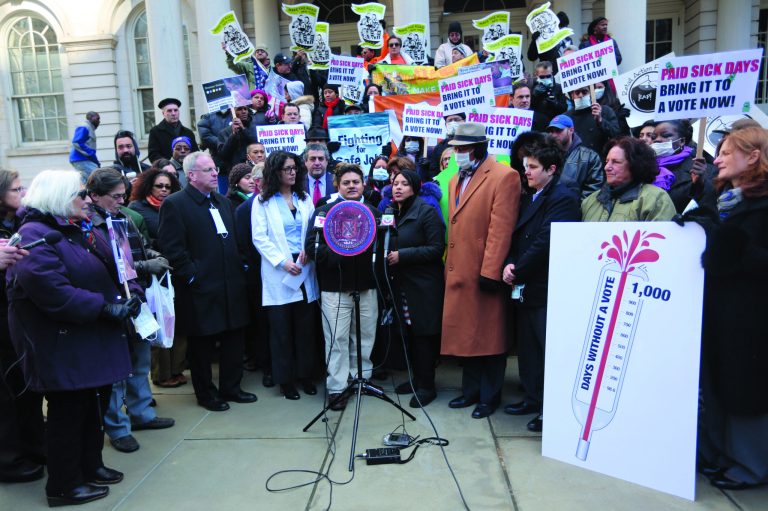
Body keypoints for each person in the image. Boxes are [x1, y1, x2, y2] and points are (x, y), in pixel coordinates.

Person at [7, 169, 137, 506]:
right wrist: (103, 308)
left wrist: (128, 293)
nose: (86, 199)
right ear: (59, 199)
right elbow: (52, 290)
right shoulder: (35, 234)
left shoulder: (73, 229)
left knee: (92, 407)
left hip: (86, 336)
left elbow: (115, 264)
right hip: (61, 342)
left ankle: (90, 465)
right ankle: (64, 485)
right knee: (68, 412)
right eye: (80, 194)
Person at [698, 126, 768, 491]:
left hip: (752, 319)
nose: (718, 159)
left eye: (726, 152)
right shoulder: (724, 200)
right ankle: (726, 456)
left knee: (747, 391)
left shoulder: (761, 204)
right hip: (722, 313)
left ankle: (751, 465)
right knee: (723, 385)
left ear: (753, 157)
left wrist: (732, 241)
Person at [86, 169, 175, 453]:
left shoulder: (122, 217)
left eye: (123, 194)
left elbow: (139, 248)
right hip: (113, 303)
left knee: (140, 362)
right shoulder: (90, 225)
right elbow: (110, 265)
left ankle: (142, 415)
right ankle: (118, 428)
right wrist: (146, 266)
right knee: (116, 373)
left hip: (136, 299)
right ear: (95, 196)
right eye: (114, 196)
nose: (121, 200)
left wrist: (152, 256)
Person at [159, 152, 256, 411]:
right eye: (208, 170)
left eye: (214, 169)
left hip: (231, 284)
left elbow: (234, 239)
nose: (215, 173)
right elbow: (172, 248)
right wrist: (192, 275)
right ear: (191, 175)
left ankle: (231, 387)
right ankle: (206, 394)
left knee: (234, 339)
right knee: (202, 346)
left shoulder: (222, 202)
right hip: (200, 288)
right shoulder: (176, 204)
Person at [501, 140, 581, 432]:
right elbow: (516, 235)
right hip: (524, 284)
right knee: (528, 348)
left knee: (547, 349)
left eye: (533, 168)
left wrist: (517, 270)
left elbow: (546, 240)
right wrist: (509, 263)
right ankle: (532, 397)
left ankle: (551, 407)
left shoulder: (563, 198)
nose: (527, 173)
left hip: (546, 286)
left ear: (552, 169)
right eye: (525, 168)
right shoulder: (529, 196)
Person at [442, 122, 520, 419]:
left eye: (461, 149)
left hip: (484, 270)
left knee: (490, 337)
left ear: (476, 149)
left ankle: (489, 396)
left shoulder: (504, 176)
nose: (456, 154)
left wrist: (490, 272)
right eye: (455, 149)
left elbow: (501, 229)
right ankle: (470, 391)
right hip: (459, 268)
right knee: (466, 335)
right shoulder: (454, 180)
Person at [305, 164, 381, 410]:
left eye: (356, 182)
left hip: (367, 286)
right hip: (335, 288)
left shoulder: (373, 211)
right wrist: (342, 250)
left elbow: (382, 247)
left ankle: (361, 380)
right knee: (337, 338)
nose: (351, 186)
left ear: (363, 185)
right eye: (346, 182)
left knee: (365, 336)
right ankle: (337, 387)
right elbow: (311, 247)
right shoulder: (324, 212)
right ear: (337, 184)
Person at [252, 150, 319, 400]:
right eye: (287, 169)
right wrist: (282, 262)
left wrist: (308, 250)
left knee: (305, 327)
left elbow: (313, 229)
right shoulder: (262, 202)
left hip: (304, 267)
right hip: (280, 271)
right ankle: (286, 380)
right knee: (281, 330)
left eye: (294, 168)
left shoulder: (304, 198)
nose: (292, 172)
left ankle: (306, 375)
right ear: (275, 172)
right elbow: (259, 237)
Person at [386, 169, 445, 408]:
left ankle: (426, 386)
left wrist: (403, 255)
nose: (397, 187)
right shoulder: (392, 212)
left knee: (423, 337)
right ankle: (415, 380)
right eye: (395, 183)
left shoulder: (427, 212)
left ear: (415, 187)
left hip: (423, 286)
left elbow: (436, 248)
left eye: (404, 184)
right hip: (402, 285)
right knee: (408, 335)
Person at [0, 170, 45, 484]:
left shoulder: (21, 221)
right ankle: (8, 459)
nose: (23, 192)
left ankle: (33, 444)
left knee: (26, 385)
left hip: (18, 318)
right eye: (17, 189)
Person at [127, 168, 187, 391]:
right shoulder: (137, 209)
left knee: (178, 323)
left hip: (176, 271)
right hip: (154, 273)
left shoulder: (176, 206)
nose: (163, 190)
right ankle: (162, 374)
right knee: (159, 323)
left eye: (168, 186)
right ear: (148, 187)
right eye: (159, 186)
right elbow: (144, 243)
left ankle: (177, 369)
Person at [582, 137, 676, 221]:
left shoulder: (656, 199)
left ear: (635, 165)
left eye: (616, 162)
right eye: (607, 162)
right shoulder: (590, 201)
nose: (607, 167)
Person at [652, 119, 718, 213]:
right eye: (653, 137)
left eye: (665, 135)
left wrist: (699, 184)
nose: (657, 140)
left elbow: (708, 206)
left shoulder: (704, 170)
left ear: (682, 141)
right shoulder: (645, 168)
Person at [546, 114, 604, 199]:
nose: (554, 135)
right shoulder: (544, 154)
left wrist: (574, 208)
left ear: (571, 130)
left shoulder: (590, 157)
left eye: (558, 130)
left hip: (574, 209)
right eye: (551, 131)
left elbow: (592, 192)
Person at [566, 86, 621, 154]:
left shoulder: (605, 111)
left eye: (584, 92)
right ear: (572, 95)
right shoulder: (567, 117)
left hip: (601, 158)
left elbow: (616, 134)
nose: (581, 95)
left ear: (591, 93)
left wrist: (601, 120)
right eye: (577, 93)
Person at [148, 98, 199, 162]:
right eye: (169, 111)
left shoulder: (188, 132)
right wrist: (166, 164)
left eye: (175, 110)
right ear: (163, 113)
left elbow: (195, 153)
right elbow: (153, 155)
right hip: (166, 169)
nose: (173, 113)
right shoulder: (155, 131)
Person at [530, 62, 568, 128]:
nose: (545, 78)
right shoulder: (531, 88)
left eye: (548, 76)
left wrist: (555, 104)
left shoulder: (559, 88)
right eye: (542, 77)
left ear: (552, 73)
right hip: (538, 125)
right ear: (536, 75)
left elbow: (564, 109)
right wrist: (534, 96)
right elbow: (528, 109)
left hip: (555, 125)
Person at [429, 113, 465, 180]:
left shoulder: (471, 144)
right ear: (445, 124)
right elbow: (434, 171)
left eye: (456, 120)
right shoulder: (439, 147)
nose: (453, 122)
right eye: (450, 120)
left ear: (464, 121)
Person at [69, 111, 101, 179]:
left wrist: (95, 161)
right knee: (97, 177)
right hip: (80, 159)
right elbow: (77, 142)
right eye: (97, 118)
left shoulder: (89, 128)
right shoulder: (84, 127)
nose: (99, 121)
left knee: (87, 180)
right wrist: (90, 153)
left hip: (84, 159)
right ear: (91, 118)